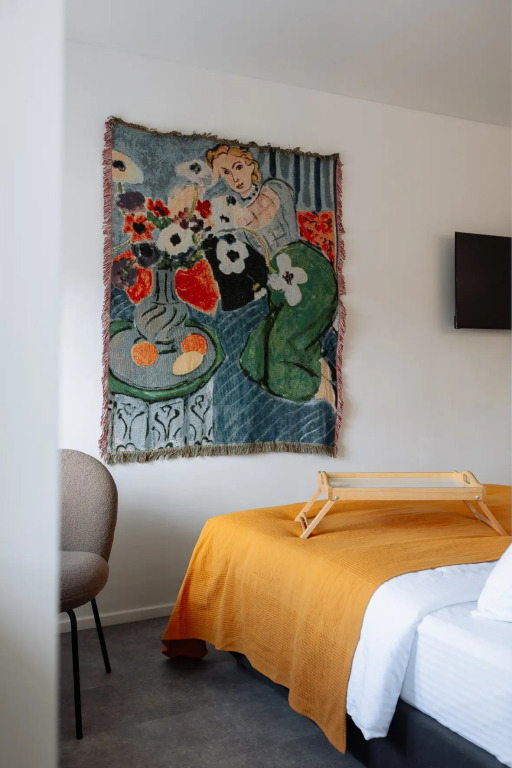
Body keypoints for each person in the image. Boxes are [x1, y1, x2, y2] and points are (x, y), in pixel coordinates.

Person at [205, 144, 338, 406]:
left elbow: (258, 217)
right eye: (226, 173)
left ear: (251, 165)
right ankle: (319, 367)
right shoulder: (233, 213)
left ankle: (321, 390)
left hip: (306, 271)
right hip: (278, 284)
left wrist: (226, 213)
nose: (235, 177)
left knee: (279, 364)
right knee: (253, 359)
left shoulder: (274, 190)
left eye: (238, 167)